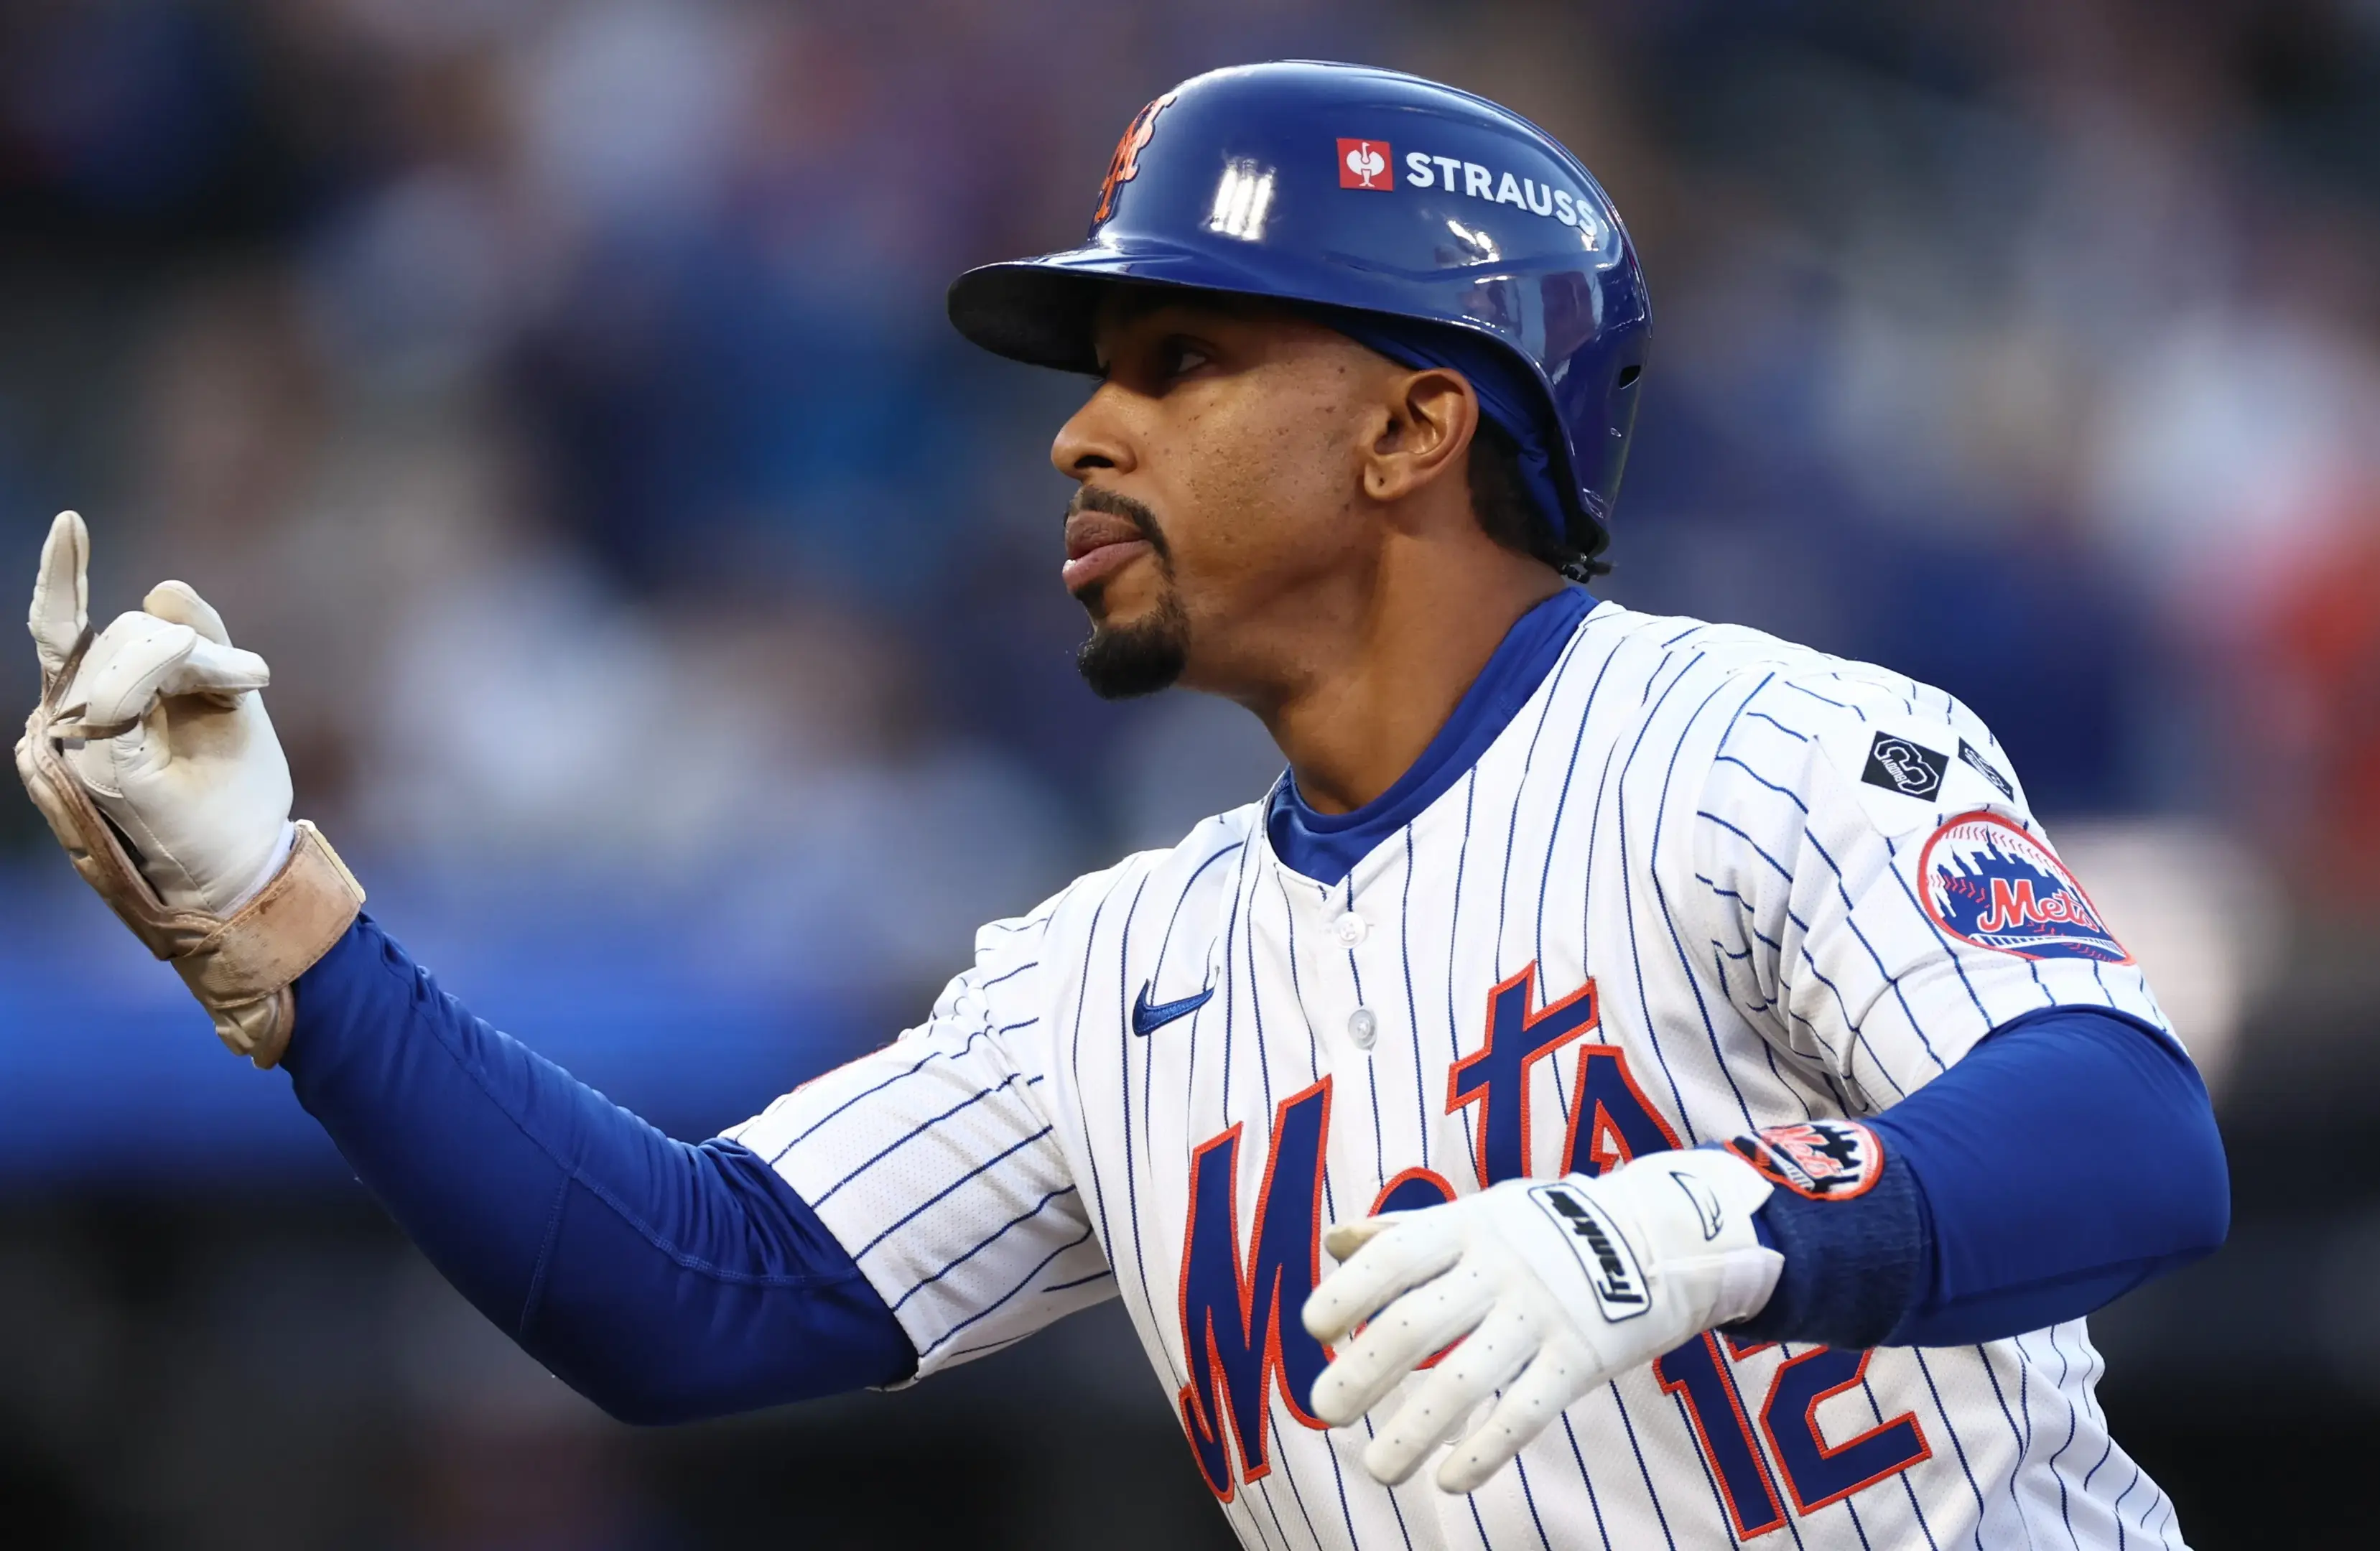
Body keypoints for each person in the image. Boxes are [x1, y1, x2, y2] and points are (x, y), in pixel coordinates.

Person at [17, 62, 2226, 1549]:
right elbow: (703, 1290)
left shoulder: (1756, 743)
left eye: (1179, 363)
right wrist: (292, 935)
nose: (1086, 436)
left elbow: (2129, 1129)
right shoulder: (1112, 973)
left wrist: (1673, 1226)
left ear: (1413, 432)